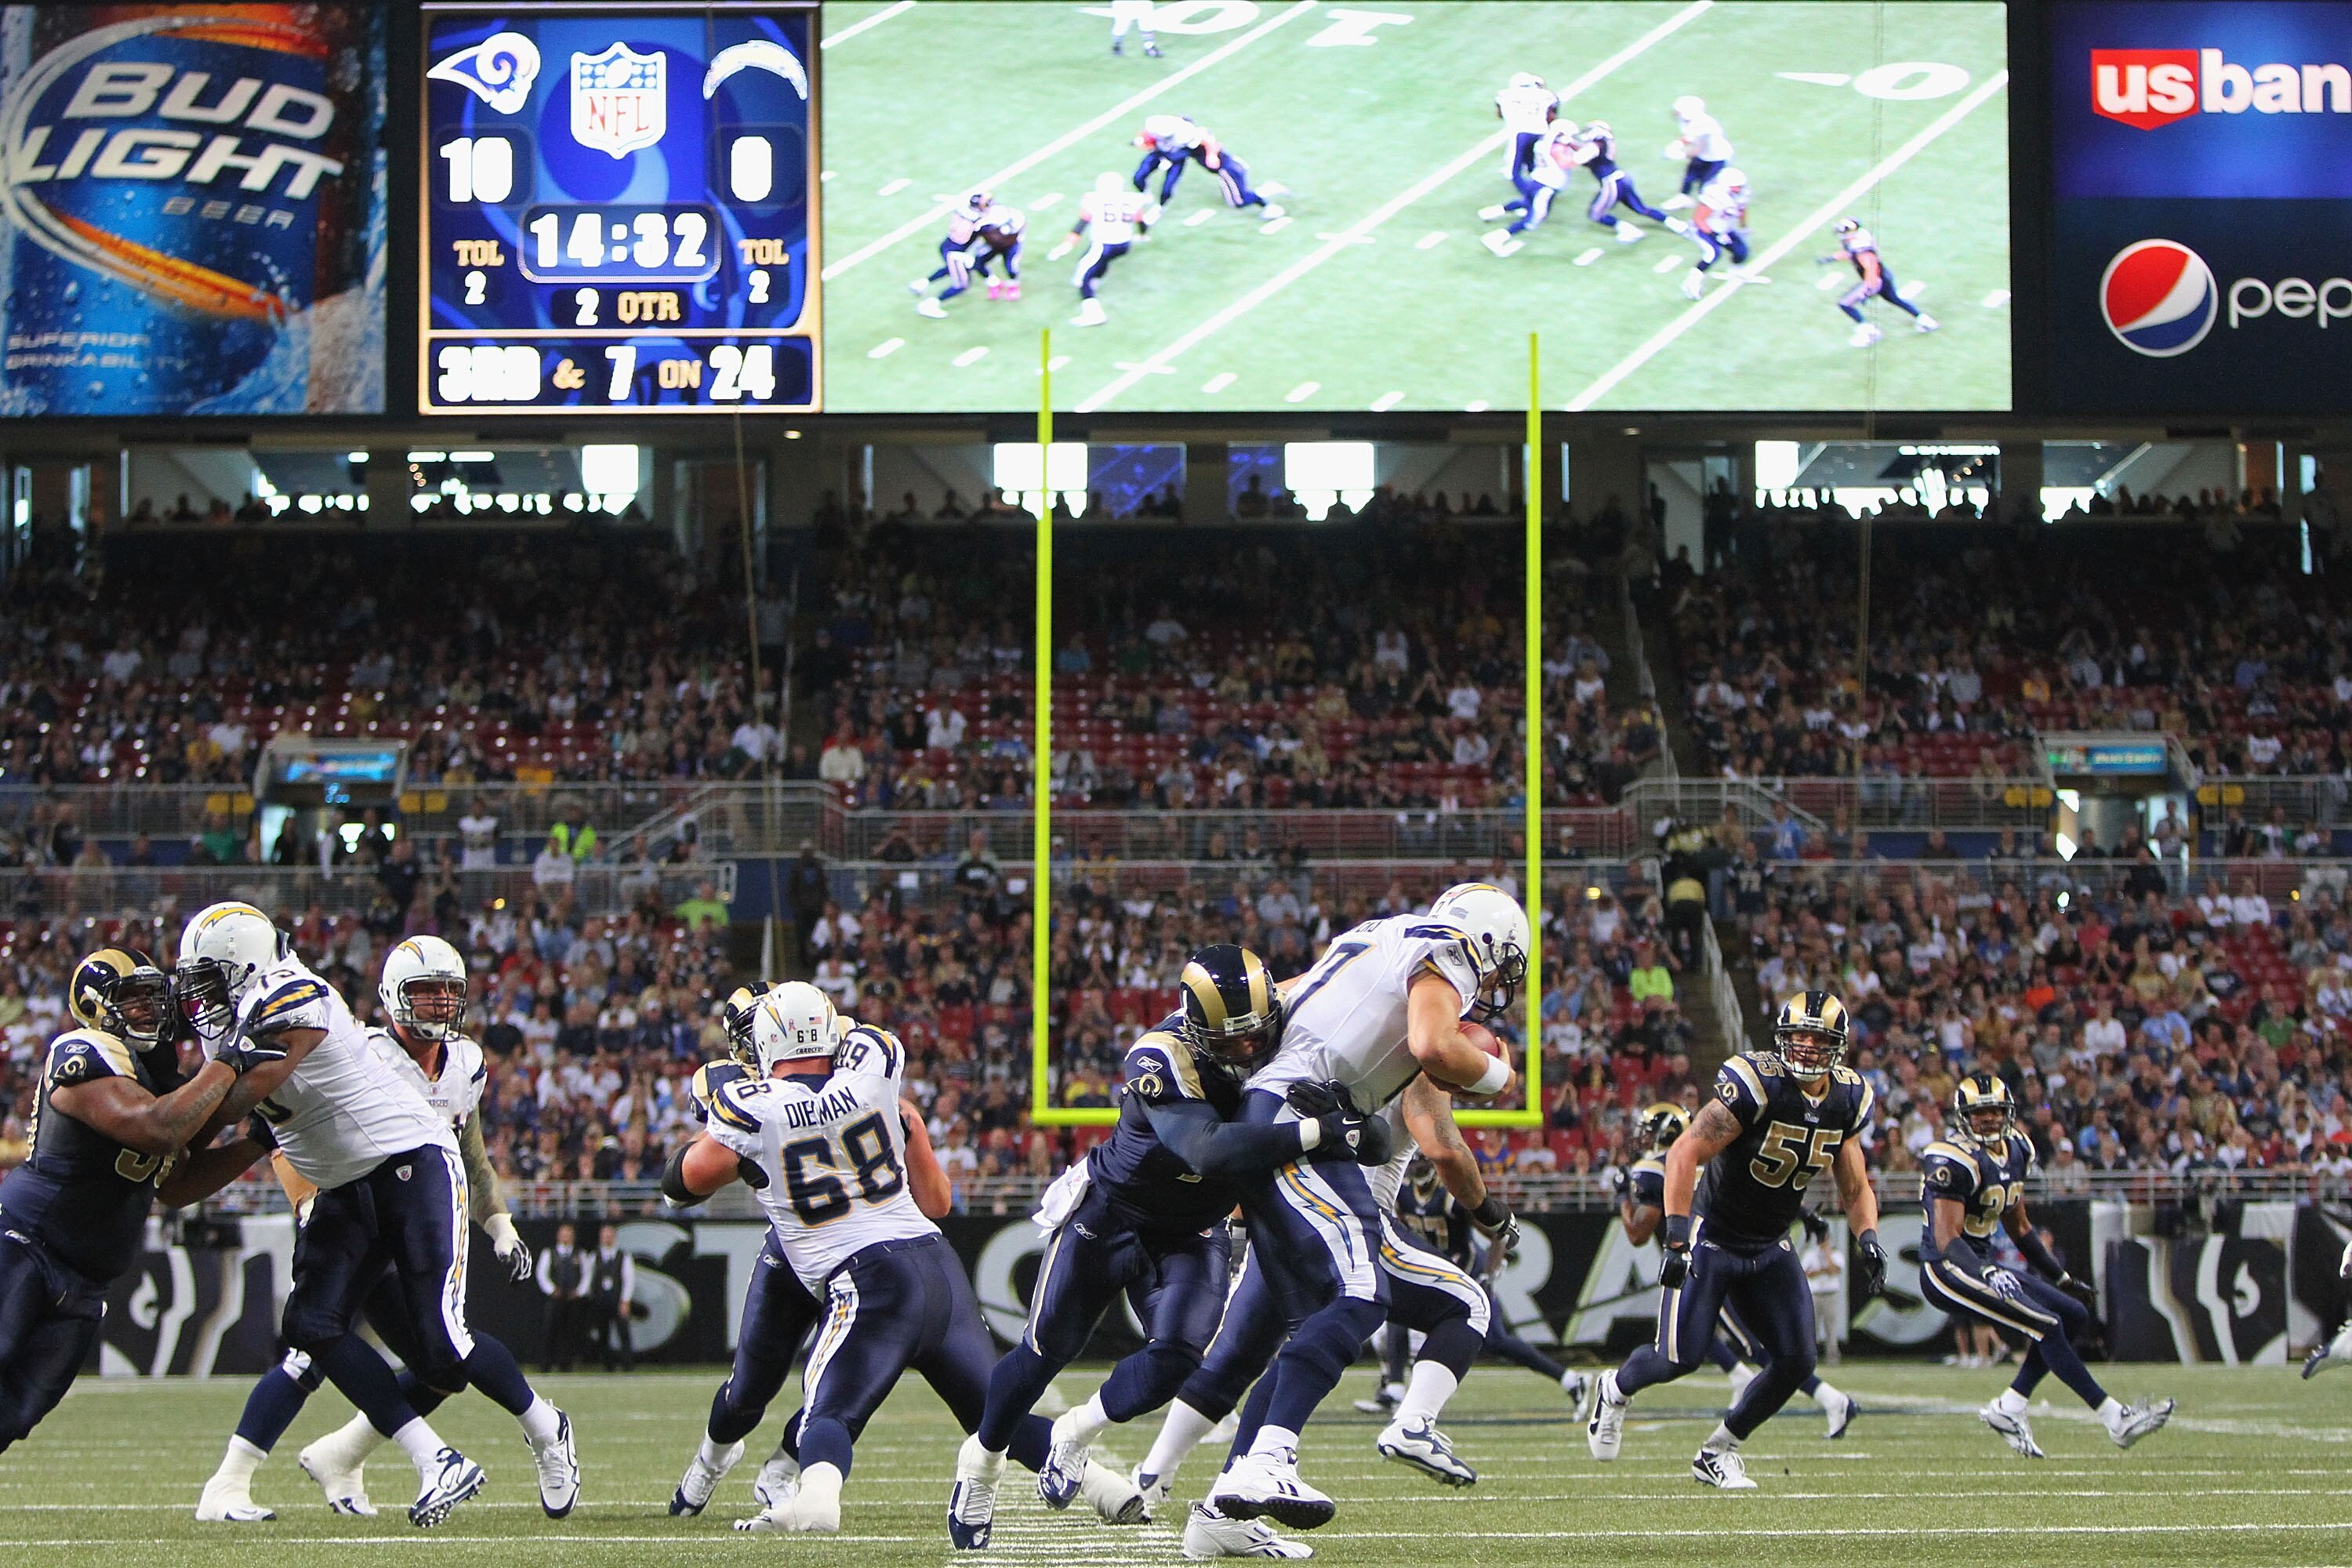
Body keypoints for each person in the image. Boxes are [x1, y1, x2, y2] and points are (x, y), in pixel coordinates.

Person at [669, 985, 1145, 1534]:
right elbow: (934, 1198)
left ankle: (817, 1497)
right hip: (932, 1263)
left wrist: (719, 1110)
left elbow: (679, 1183)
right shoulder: (874, 1071)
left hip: (864, 1276)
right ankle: (1105, 1487)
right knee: (994, 1414)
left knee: (828, 1413)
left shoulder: (753, 1112)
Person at [955, 946, 1385, 1554]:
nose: (1248, 1052)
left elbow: (1379, 1140)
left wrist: (1356, 1123)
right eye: (1230, 1043)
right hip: (1111, 1215)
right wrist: (1318, 1130)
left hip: (1193, 1229)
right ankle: (982, 1465)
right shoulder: (1162, 1054)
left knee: (1180, 1357)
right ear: (1199, 1028)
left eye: (1255, 1036)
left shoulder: (1294, 1028)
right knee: (1045, 1348)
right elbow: (1205, 1150)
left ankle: (1076, 1431)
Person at [1138, 883, 1527, 1546]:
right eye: (1500, 962)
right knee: (1362, 1291)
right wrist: (1500, 1075)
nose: (1493, 979)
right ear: (1487, 942)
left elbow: (1275, 997)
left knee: (1303, 1328)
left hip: (1279, 1115)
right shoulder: (1448, 952)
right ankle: (1269, 1461)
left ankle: (1218, 1519)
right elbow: (1434, 1045)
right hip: (1302, 1124)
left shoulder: (1378, 933)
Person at [172, 903, 526, 1527]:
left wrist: (164, 1125)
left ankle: (536, 1435)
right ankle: (404, 1459)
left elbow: (230, 1108)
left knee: (432, 1346)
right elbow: (264, 1131)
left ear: (244, 966)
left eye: (208, 975)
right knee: (313, 1331)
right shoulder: (267, 1023)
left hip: (401, 1172)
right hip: (346, 1183)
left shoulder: (296, 996)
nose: (198, 994)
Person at [1587, 993, 1886, 1489]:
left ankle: (1718, 1451)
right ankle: (1613, 1388)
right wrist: (1678, 1238)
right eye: (1799, 1037)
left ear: (1838, 1046)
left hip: (1770, 1243)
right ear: (1782, 1039)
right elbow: (1683, 1154)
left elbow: (1855, 1187)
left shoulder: (1847, 1099)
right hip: (1715, 1237)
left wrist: (1869, 1237)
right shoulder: (1756, 1083)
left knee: (1796, 1360)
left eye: (1819, 1039)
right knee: (1678, 1358)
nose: (1808, 1048)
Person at [0, 951, 263, 1457]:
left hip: (87, 1278)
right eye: (130, 997)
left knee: (15, 1411)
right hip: (27, 1243)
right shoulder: (84, 1050)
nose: (145, 1008)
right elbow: (158, 1129)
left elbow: (174, 1185)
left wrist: (256, 1141)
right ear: (95, 1007)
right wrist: (228, 1061)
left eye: (150, 996)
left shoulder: (157, 1077)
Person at [1922, 1075, 2172, 1457]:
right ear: (1964, 1117)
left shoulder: (2018, 1149)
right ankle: (2114, 1419)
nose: (1989, 1120)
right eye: (1980, 1113)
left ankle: (2010, 1407)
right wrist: (1987, 1271)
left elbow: (2019, 1227)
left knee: (2071, 1314)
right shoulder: (1951, 1159)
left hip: (1983, 1263)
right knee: (2046, 1325)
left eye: (1995, 1111)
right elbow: (1947, 1239)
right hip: (1947, 1269)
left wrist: (2060, 1276)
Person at [670, 984, 829, 1517]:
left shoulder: (851, 1065)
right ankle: (711, 1460)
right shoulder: (742, 1093)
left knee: (846, 1383)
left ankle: (782, 1467)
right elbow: (683, 1184)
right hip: (793, 1245)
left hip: (862, 1247)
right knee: (747, 1393)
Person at [1613, 1103, 1855, 1438]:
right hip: (1731, 1246)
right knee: (1699, 1337)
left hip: (1710, 1252)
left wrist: (1622, 1200)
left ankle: (1831, 1399)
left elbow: (1639, 1232)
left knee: (1741, 1346)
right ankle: (1746, 1377)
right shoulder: (1716, 1153)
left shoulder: (1657, 1166)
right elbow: (1756, 1191)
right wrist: (1804, 1214)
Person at [1826, 217, 1937, 347]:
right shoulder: (1860, 239)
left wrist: (1867, 289)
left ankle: (1870, 333)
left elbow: (1870, 266)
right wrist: (1832, 258)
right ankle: (1925, 321)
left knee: (1845, 304)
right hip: (1884, 276)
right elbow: (1850, 254)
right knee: (1894, 299)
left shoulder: (1860, 247)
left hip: (1874, 279)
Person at [538, 1224, 589, 1373]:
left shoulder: (580, 1254)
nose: (566, 1237)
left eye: (569, 1234)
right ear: (558, 1236)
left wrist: (579, 1291)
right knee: (550, 1331)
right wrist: (552, 1289)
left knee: (570, 1332)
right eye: (563, 1234)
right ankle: (546, 1364)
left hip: (573, 1300)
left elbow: (587, 1275)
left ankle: (566, 1364)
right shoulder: (549, 1253)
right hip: (555, 1299)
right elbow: (542, 1274)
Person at [587, 1224, 636, 1371]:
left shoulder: (623, 1256)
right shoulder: (593, 1256)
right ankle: (607, 1365)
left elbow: (629, 1279)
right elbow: (588, 1279)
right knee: (603, 1334)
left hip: (618, 1300)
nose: (607, 1238)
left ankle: (627, 1364)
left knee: (623, 1333)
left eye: (609, 1235)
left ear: (614, 1237)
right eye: (604, 1236)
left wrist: (625, 1300)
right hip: (601, 1300)